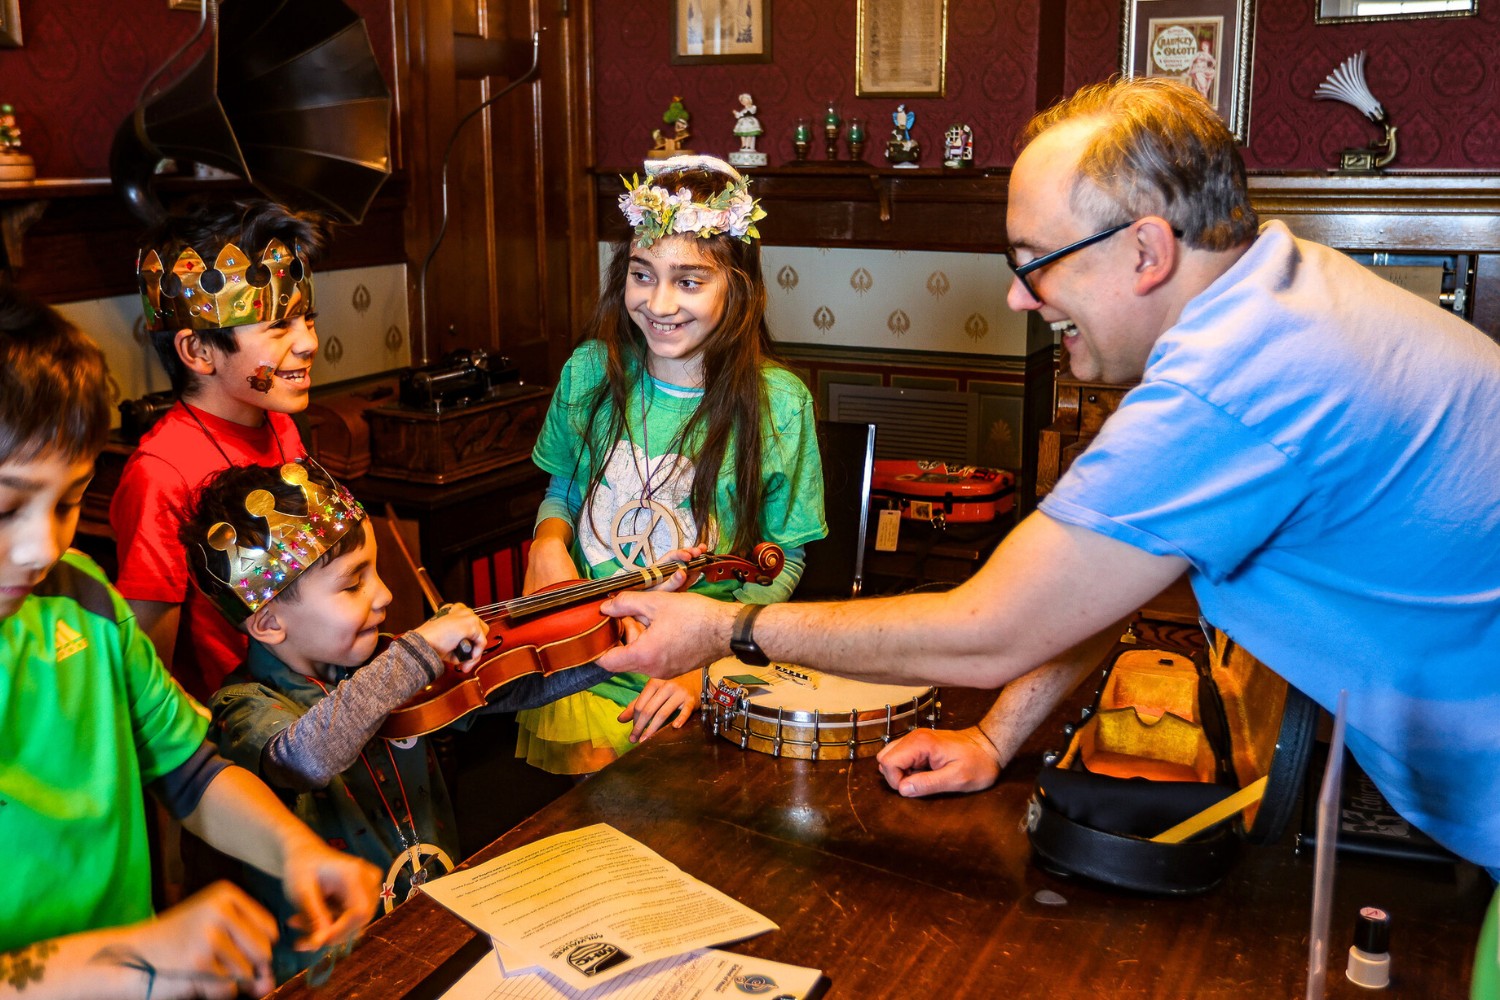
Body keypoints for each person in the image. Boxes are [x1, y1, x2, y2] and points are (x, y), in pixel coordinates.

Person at [596, 79, 1500, 877]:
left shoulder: (1234, 388)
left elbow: (988, 630)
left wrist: (727, 626)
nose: (1019, 298)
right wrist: (996, 737)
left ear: (1145, 252)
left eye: (1032, 261)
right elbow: (1114, 578)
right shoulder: (1291, 298)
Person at [0, 284, 377, 999]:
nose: (38, 548)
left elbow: (188, 772)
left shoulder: (82, 600)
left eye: (70, 502)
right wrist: (131, 959)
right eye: (8, 506)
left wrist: (295, 850)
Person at [182, 459, 637, 982]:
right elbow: (304, 757)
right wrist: (416, 654)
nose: (385, 595)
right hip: (335, 974)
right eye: (353, 584)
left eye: (374, 571)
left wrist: (610, 649)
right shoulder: (243, 707)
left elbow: (504, 686)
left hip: (438, 932)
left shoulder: (384, 661)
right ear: (268, 622)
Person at [515, 154, 826, 775]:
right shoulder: (588, 372)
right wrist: (547, 542)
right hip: (583, 669)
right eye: (641, 274)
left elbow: (782, 557)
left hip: (699, 682)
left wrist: (707, 667)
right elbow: (568, 488)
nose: (658, 303)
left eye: (689, 281)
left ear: (737, 287)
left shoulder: (779, 405)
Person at [110, 198, 324, 704]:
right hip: (237, 728)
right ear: (199, 351)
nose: (308, 342)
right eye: (279, 326)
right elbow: (148, 669)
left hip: (310, 705)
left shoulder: (281, 427)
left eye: (307, 319)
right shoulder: (161, 474)